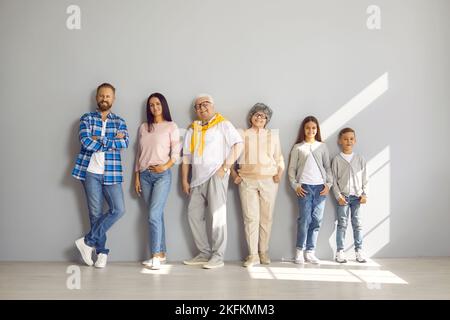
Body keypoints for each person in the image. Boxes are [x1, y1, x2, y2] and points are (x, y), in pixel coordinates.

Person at [181, 94, 243, 269]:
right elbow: (186, 157)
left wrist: (225, 167)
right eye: (198, 106)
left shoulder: (223, 124)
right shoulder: (193, 129)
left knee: (217, 217)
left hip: (215, 175)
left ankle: (218, 256)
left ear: (213, 106)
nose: (201, 108)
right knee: (193, 216)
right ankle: (204, 253)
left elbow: (238, 144)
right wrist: (184, 180)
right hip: (196, 179)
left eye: (205, 104)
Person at [72, 83, 129, 268]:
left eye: (108, 96)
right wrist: (112, 141)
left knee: (119, 210)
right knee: (95, 214)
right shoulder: (87, 118)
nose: (105, 99)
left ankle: (87, 242)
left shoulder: (119, 121)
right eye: (102, 95)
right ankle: (101, 253)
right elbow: (85, 141)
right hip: (90, 172)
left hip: (111, 172)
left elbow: (125, 143)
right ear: (97, 97)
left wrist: (100, 139)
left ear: (113, 99)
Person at [230, 103, 284, 267]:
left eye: (263, 116)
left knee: (266, 218)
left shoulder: (273, 135)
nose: (259, 118)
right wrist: (234, 175)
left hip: (269, 180)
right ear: (251, 116)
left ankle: (263, 251)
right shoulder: (243, 134)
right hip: (247, 180)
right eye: (256, 115)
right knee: (250, 218)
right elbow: (232, 155)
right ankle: (252, 255)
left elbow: (279, 156)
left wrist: (279, 173)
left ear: (267, 119)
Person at [134, 93, 181, 270]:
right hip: (145, 175)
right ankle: (161, 254)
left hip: (162, 175)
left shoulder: (171, 126)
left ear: (163, 105)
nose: (155, 107)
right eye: (151, 105)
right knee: (157, 215)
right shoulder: (143, 127)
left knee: (153, 215)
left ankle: (154, 255)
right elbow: (139, 154)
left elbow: (176, 153)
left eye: (158, 104)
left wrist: (165, 166)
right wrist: (136, 177)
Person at [288, 116, 332, 264]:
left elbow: (327, 167)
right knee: (304, 219)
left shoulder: (322, 146)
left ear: (317, 129)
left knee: (317, 220)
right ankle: (299, 251)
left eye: (314, 128)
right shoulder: (298, 147)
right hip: (304, 188)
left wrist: (328, 184)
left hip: (320, 188)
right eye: (308, 128)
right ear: (304, 129)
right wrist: (296, 185)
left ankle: (310, 252)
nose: (311, 130)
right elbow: (292, 169)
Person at [332, 127, 368, 263]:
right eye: (345, 139)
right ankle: (340, 251)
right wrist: (338, 196)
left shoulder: (360, 159)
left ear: (355, 140)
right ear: (340, 141)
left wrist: (365, 194)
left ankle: (359, 251)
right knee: (342, 224)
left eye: (351, 139)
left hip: (357, 197)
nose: (349, 141)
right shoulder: (336, 159)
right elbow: (333, 180)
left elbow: (366, 178)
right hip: (343, 197)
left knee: (357, 223)